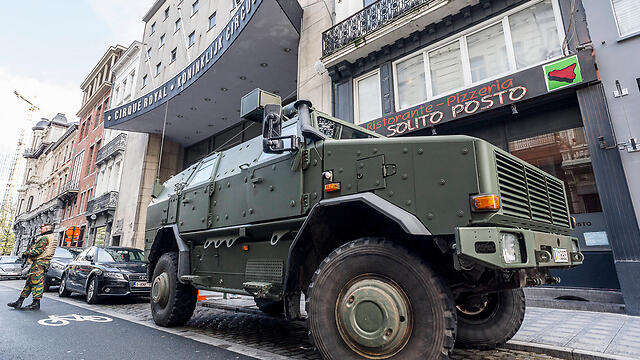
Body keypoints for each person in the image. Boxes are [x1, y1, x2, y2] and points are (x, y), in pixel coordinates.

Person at [7, 223, 57, 310]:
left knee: (36, 283)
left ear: (46, 229)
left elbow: (38, 251)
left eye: (42, 228)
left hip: (39, 263)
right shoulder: (50, 237)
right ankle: (19, 301)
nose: (40, 229)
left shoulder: (45, 238)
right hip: (40, 263)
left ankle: (35, 303)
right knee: (30, 282)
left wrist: (26, 253)